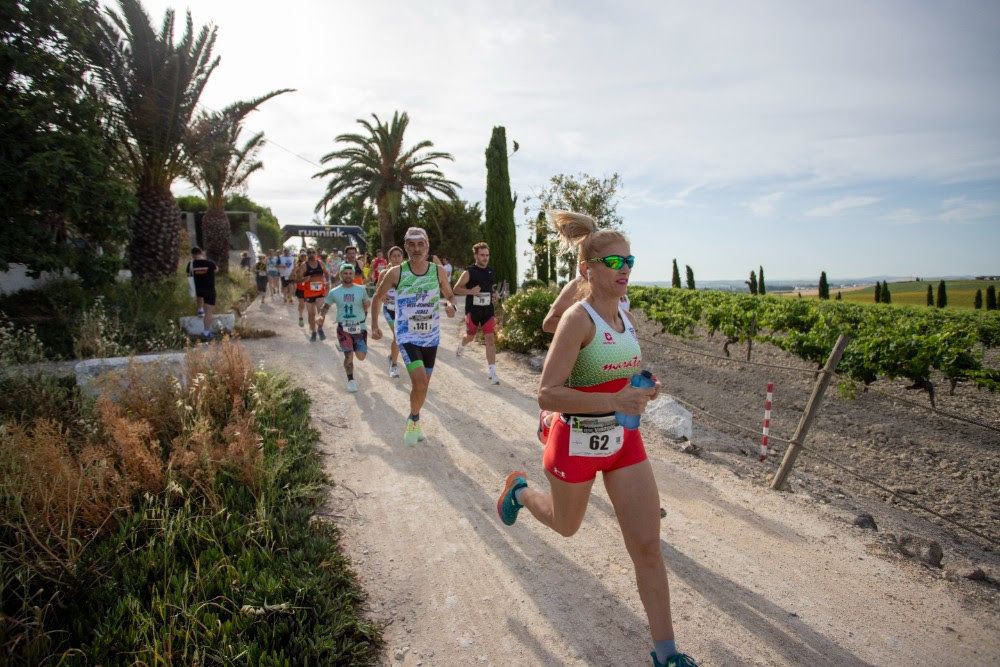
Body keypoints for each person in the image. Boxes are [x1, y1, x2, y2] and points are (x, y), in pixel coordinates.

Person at [496, 211, 695, 667]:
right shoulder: (576, 319)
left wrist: (644, 386)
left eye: (630, 261)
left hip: (624, 442)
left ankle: (667, 653)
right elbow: (547, 392)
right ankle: (521, 491)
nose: (625, 269)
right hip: (576, 440)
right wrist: (617, 402)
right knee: (567, 527)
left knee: (647, 544)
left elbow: (620, 377)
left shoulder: (624, 312)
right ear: (589, 270)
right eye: (615, 263)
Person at [370, 227, 457, 445]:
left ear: (427, 246)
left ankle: (414, 415)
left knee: (423, 385)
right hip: (407, 335)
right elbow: (377, 298)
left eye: (421, 244)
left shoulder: (438, 271)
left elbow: (450, 295)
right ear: (406, 246)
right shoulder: (396, 273)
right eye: (412, 244)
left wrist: (449, 305)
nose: (416, 249)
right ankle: (414, 420)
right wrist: (374, 326)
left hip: (431, 337)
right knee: (419, 383)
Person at [453, 242, 501, 385]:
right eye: (482, 255)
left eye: (487, 255)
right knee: (470, 337)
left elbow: (489, 289)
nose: (485, 258)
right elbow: (456, 289)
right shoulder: (469, 272)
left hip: (487, 310)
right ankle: (462, 345)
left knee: (490, 339)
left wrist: (495, 295)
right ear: (475, 255)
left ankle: (492, 372)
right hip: (473, 311)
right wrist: (470, 291)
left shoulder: (491, 271)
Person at [319, 263, 370, 393]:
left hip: (360, 327)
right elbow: (325, 306)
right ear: (341, 275)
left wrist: (366, 305)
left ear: (353, 274)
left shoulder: (361, 289)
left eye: (350, 273)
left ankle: (349, 347)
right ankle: (351, 380)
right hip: (343, 328)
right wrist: (321, 316)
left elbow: (367, 303)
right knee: (348, 356)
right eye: (345, 273)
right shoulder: (335, 292)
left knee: (361, 356)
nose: (348, 275)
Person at [375, 245, 405, 378]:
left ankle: (391, 357)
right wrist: (382, 296)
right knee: (397, 337)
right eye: (394, 256)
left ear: (402, 258)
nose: (397, 258)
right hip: (390, 309)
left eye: (399, 256)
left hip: (404, 311)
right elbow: (377, 291)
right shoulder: (383, 273)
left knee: (400, 338)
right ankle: (393, 365)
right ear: (389, 258)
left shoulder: (407, 272)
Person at [291, 248, 330, 341]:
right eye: (309, 253)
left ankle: (320, 328)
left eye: (313, 252)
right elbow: (297, 279)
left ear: (316, 253)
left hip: (320, 292)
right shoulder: (304, 266)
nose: (311, 254)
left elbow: (327, 274)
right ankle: (313, 332)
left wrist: (327, 282)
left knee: (322, 312)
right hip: (309, 293)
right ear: (307, 255)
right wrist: (304, 279)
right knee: (311, 315)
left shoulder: (320, 263)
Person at [186, 247, 217, 338]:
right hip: (209, 290)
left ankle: (200, 310)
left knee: (199, 296)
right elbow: (216, 270)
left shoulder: (190, 264)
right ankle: (206, 332)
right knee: (208, 311)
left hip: (198, 289)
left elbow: (188, 274)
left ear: (192, 254)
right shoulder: (210, 263)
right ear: (201, 252)